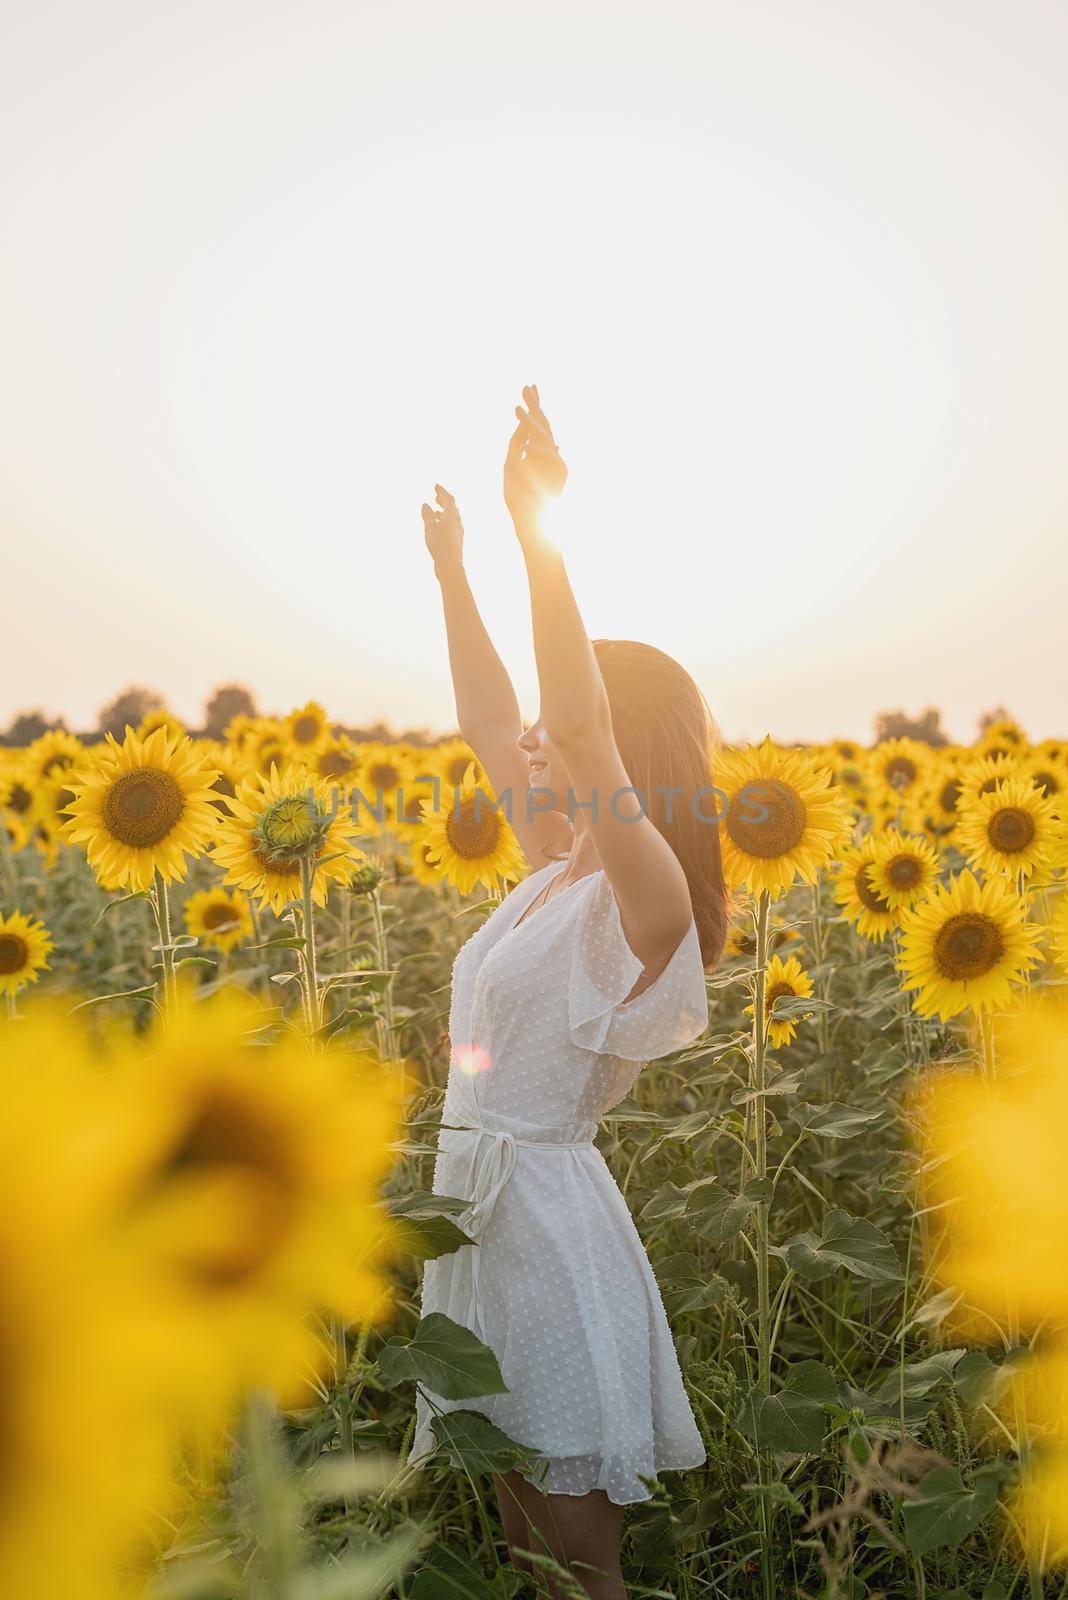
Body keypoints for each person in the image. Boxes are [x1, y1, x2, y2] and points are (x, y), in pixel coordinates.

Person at [410, 386, 730, 1598]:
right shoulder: (552, 870)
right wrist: (454, 574)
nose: (534, 742)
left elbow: (578, 729)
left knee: (578, 1561)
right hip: (476, 1225)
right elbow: (495, 715)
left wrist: (537, 531)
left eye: (567, 726)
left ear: (618, 742)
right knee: (520, 1543)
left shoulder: (641, 897)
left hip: (544, 1231)